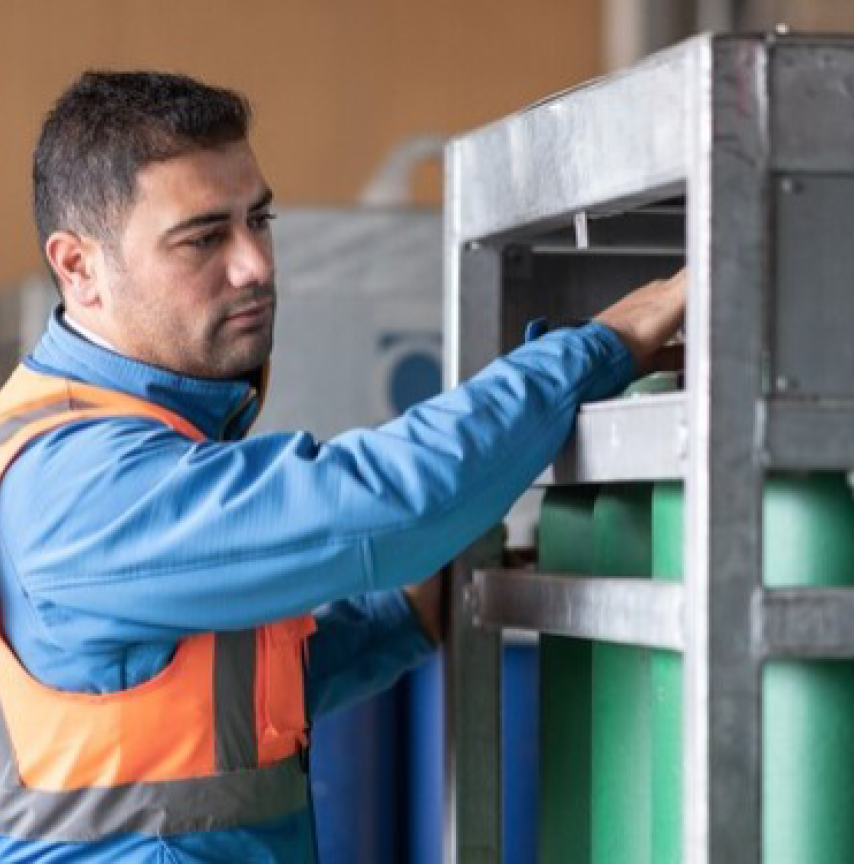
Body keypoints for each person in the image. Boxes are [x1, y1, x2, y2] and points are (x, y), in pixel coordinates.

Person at [0, 71, 685, 862]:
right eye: (203, 237)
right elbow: (380, 506)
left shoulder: (134, 434)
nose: (255, 264)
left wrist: (408, 614)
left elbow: (215, 703)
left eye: (259, 219)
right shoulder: (77, 481)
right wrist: (595, 347)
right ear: (78, 267)